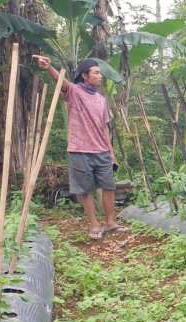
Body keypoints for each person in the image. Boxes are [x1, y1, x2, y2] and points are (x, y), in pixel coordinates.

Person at [32, 55, 129, 240]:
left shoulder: (101, 99)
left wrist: (111, 152)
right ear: (85, 75)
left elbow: (104, 126)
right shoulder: (75, 92)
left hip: (101, 150)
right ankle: (94, 225)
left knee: (108, 187)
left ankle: (110, 223)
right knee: (85, 189)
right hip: (80, 150)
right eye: (96, 73)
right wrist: (49, 68)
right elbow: (62, 84)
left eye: (101, 73)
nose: (101, 76)